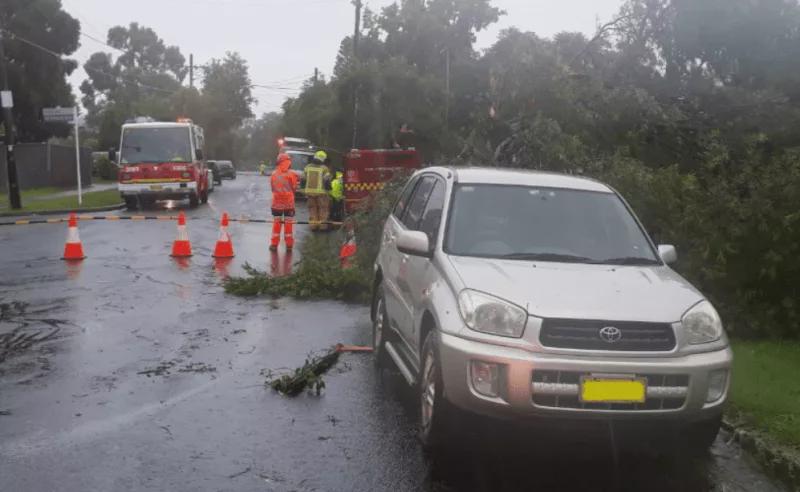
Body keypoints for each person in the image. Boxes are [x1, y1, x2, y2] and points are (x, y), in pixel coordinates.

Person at [269, 153, 299, 251]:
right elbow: (294, 188)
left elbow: (272, 188)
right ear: (288, 162)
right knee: (288, 224)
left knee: (276, 223)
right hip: (289, 204)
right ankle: (289, 245)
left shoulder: (273, 174)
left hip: (276, 204)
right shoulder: (292, 174)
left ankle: (274, 244)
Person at [303, 150, 332, 231]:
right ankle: (322, 227)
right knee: (323, 210)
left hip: (310, 193)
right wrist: (329, 190)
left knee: (312, 210)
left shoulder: (307, 167)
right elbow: (327, 181)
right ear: (323, 159)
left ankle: (313, 226)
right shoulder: (324, 168)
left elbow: (303, 179)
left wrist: (304, 190)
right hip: (321, 194)